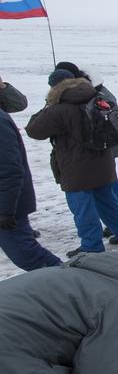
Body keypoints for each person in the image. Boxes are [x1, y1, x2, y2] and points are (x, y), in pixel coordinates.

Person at [25, 72, 118, 257]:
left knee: (82, 208)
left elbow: (34, 131)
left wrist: (48, 106)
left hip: (76, 166)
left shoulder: (59, 109)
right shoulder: (95, 96)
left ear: (55, 87)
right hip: (103, 161)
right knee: (107, 201)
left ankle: (91, 245)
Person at [0, 105, 60, 270]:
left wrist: (5, 211)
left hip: (8, 205)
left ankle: (73, 283)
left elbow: (10, 170)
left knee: (27, 255)